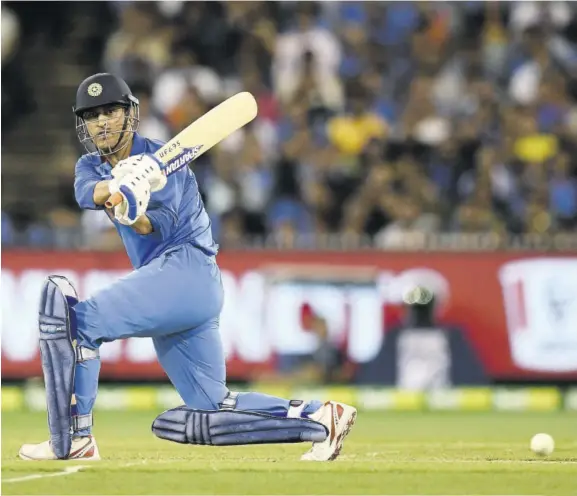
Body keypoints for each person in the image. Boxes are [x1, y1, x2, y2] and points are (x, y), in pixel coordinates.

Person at [18, 73, 357, 463]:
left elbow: (153, 226)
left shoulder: (167, 162)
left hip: (185, 269)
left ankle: (75, 439)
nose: (102, 122)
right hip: (177, 286)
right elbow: (87, 194)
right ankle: (320, 418)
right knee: (213, 407)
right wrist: (119, 186)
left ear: (129, 115)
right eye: (92, 116)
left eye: (110, 111)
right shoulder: (90, 165)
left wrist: (135, 202)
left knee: (79, 324)